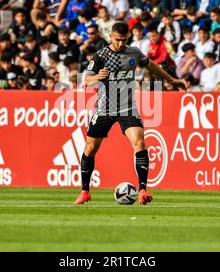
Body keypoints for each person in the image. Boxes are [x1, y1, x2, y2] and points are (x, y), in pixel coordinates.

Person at [74, 22, 184, 205]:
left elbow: (151, 65)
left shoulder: (133, 52)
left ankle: (142, 190)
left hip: (127, 107)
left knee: (140, 141)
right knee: (90, 149)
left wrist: (171, 79)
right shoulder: (101, 55)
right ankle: (85, 191)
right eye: (117, 40)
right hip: (104, 108)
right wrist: (96, 77)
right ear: (110, 36)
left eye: (124, 40)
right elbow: (86, 81)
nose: (120, 43)